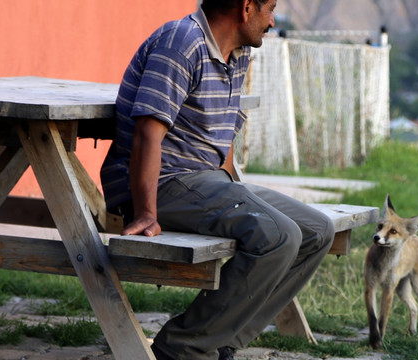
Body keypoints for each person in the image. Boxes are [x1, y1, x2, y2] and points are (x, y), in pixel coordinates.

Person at [100, 0, 335, 359]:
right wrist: (146, 211)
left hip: (204, 181)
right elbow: (147, 135)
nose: (272, 21)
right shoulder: (182, 43)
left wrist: (231, 193)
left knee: (317, 230)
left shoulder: (237, 54)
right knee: (278, 236)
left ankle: (223, 342)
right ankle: (182, 347)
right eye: (269, 9)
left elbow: (221, 134)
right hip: (162, 183)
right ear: (246, 8)